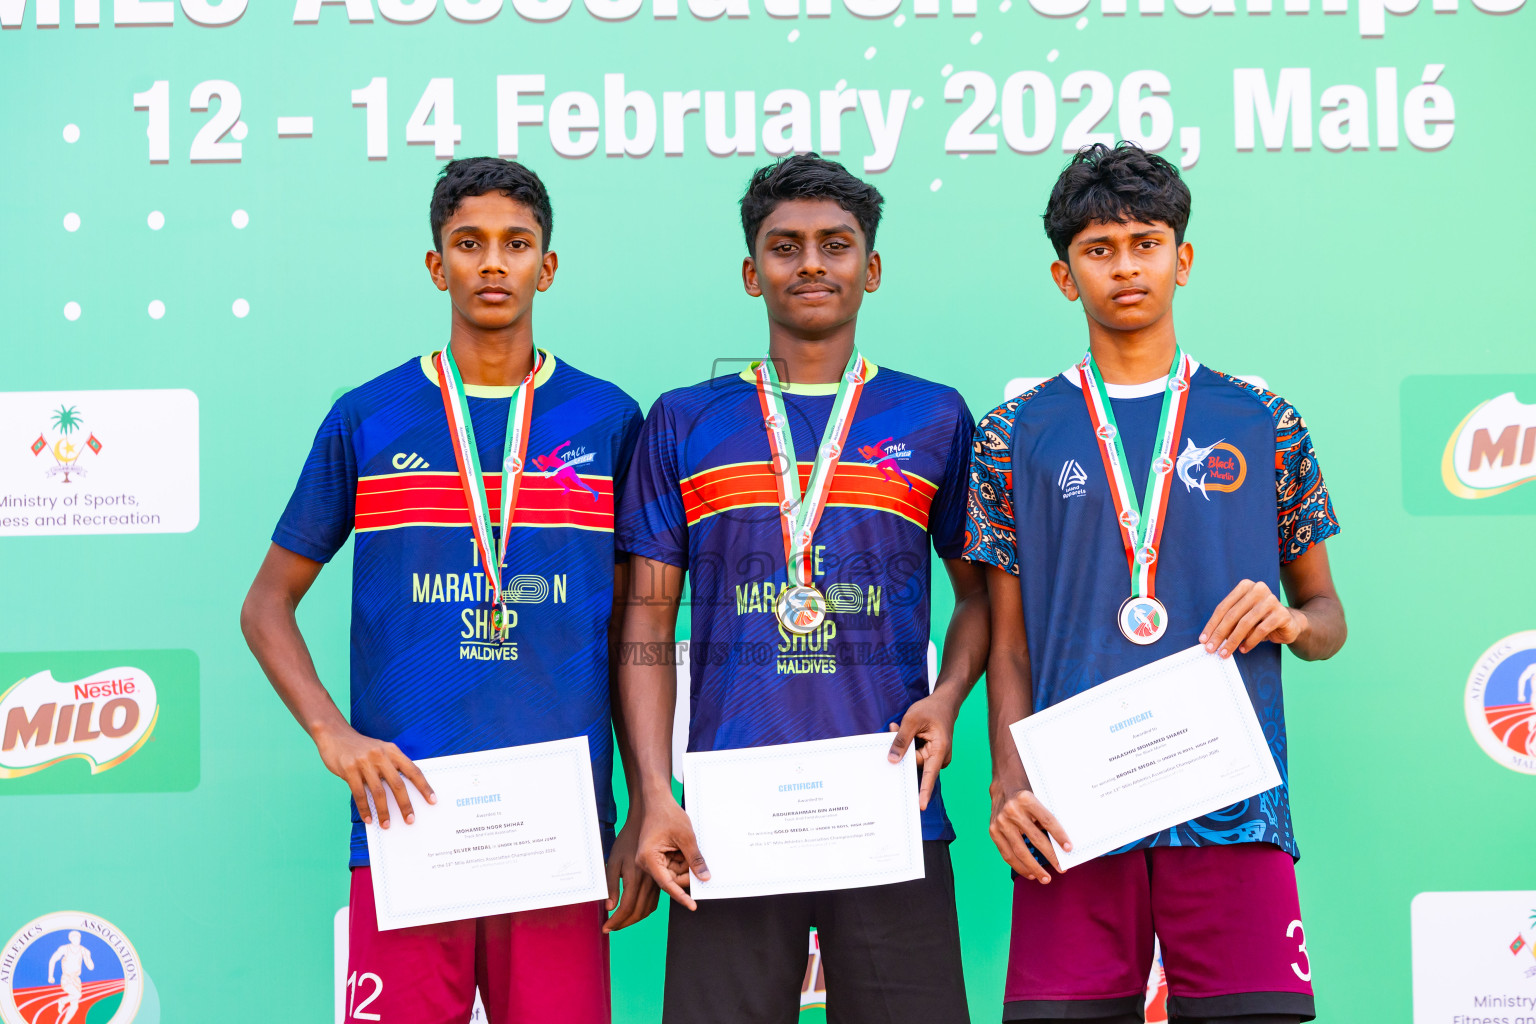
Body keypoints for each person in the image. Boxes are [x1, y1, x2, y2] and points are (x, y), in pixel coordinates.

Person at [240, 157, 642, 1024]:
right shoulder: (370, 416)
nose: (493, 262)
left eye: (516, 244)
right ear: (436, 265)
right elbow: (266, 604)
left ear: (547, 265)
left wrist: (643, 801)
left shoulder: (607, 418)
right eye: (469, 243)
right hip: (408, 819)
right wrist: (333, 734)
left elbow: (631, 631)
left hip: (559, 826)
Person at [966, 141, 1347, 1024]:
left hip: (1233, 804)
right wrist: (1007, 781)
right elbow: (1009, 642)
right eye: (1098, 250)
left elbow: (1327, 617)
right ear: (1065, 276)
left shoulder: (1265, 420)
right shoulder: (1012, 432)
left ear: (1183, 258)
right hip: (1071, 806)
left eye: (1146, 243)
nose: (1126, 267)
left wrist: (1291, 622)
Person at [610, 153, 989, 1024]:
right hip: (726, 816)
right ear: (753, 273)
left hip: (891, 801)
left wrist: (947, 698)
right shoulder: (684, 420)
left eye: (835, 244)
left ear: (872, 268)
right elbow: (646, 622)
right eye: (785, 247)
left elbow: (978, 598)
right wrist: (655, 793)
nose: (811, 263)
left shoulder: (934, 416)